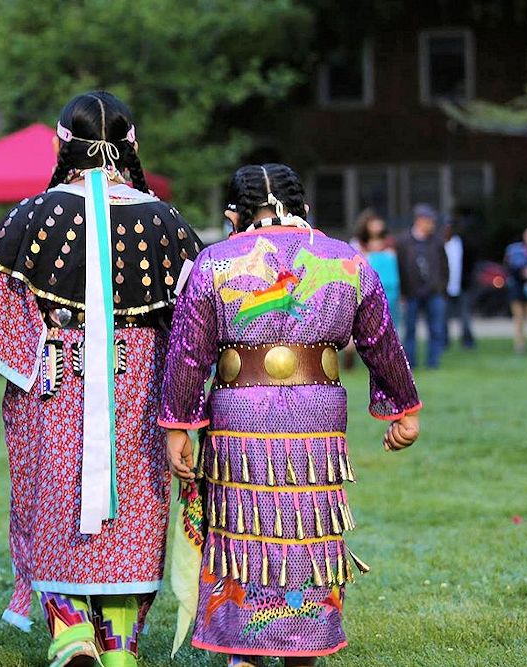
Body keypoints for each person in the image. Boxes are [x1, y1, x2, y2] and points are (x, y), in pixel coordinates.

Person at [0, 91, 202, 667]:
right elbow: (201, 312)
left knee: (54, 497)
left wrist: (26, 349)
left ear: (63, 145)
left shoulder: (35, 214)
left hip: (57, 376)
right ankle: (121, 648)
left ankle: (71, 634)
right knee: (135, 507)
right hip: (140, 380)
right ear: (132, 147)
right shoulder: (164, 220)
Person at [159, 164, 421, 667]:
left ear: (235, 214)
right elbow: (381, 339)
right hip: (316, 413)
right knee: (307, 520)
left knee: (244, 518)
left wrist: (178, 426)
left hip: (240, 410)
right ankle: (304, 645)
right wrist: (402, 408)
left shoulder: (214, 262)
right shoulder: (347, 261)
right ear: (302, 207)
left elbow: (189, 355)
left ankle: (244, 651)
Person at [396, 204, 449, 368]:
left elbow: (444, 266)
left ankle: (433, 362)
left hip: (434, 292)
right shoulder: (404, 242)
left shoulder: (437, 242)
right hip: (411, 293)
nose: (432, 224)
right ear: (420, 220)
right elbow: (400, 266)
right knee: (410, 329)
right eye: (429, 221)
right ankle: (410, 362)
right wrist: (403, 292)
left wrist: (441, 287)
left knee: (436, 328)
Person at [443, 220, 477, 349]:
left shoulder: (462, 243)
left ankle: (467, 341)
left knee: (465, 316)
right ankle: (444, 341)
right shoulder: (439, 245)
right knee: (443, 317)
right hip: (445, 287)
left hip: (462, 285)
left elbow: (471, 263)